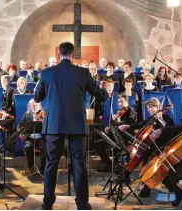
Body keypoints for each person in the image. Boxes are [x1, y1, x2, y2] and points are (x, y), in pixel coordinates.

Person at [34, 42, 109, 210]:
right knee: (79, 164)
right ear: (73, 55)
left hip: (54, 124)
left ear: (59, 54)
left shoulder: (47, 73)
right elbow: (101, 95)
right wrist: (105, 91)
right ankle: (82, 204)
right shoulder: (83, 72)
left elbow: (37, 97)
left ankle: (47, 203)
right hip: (77, 124)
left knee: (51, 164)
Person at [119, 98, 175, 197]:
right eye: (148, 108)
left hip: (161, 147)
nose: (149, 109)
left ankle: (146, 187)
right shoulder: (151, 118)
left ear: (158, 107)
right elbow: (140, 124)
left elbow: (171, 130)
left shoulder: (166, 118)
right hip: (150, 147)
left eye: (151, 107)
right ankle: (130, 176)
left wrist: (161, 121)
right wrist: (129, 126)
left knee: (148, 164)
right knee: (143, 160)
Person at [96, 93, 137, 172]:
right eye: (118, 102)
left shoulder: (131, 113)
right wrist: (109, 127)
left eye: (121, 102)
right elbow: (114, 124)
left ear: (127, 102)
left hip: (125, 139)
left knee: (116, 147)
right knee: (98, 144)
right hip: (116, 137)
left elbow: (128, 124)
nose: (120, 104)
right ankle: (108, 164)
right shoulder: (120, 112)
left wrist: (119, 122)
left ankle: (118, 167)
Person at [18, 99, 46, 174]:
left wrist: (43, 121)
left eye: (36, 105)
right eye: (32, 105)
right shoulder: (27, 114)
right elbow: (20, 126)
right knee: (27, 148)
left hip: (40, 137)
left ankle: (42, 170)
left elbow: (48, 126)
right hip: (30, 137)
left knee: (45, 149)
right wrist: (21, 133)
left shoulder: (43, 114)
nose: (34, 106)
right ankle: (31, 168)